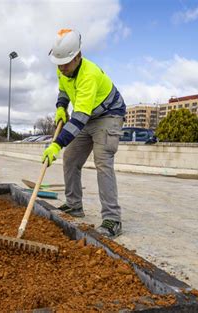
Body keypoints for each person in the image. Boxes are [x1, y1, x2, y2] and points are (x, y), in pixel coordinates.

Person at [42, 29, 126, 238]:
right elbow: (63, 90)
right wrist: (61, 107)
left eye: (66, 63)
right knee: (70, 158)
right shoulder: (62, 67)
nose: (61, 68)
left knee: (102, 161)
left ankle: (112, 219)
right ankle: (74, 205)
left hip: (108, 115)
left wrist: (56, 145)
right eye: (59, 64)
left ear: (78, 56)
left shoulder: (89, 74)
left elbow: (79, 119)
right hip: (87, 113)